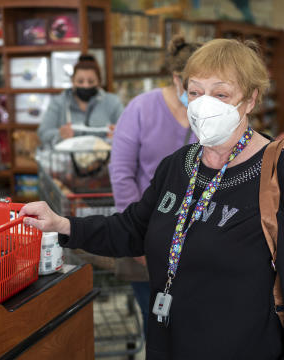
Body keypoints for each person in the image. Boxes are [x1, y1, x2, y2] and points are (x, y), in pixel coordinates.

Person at [19, 39, 284, 359]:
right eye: (195, 92)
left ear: (251, 99)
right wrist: (62, 224)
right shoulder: (179, 165)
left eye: (221, 94)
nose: (204, 104)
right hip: (167, 344)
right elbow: (131, 230)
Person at [108, 35, 200, 336]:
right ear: (177, 78)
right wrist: (137, 234)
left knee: (193, 326)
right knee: (158, 326)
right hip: (149, 232)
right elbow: (121, 171)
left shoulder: (209, 113)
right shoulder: (141, 108)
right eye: (195, 85)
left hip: (197, 236)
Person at [37, 54, 123, 147]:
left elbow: (128, 131)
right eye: (80, 81)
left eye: (91, 82)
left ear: (99, 82)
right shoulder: (58, 103)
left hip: (104, 159)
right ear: (72, 81)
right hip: (66, 159)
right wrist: (59, 134)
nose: (85, 86)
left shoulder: (112, 102)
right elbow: (43, 133)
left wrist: (118, 134)